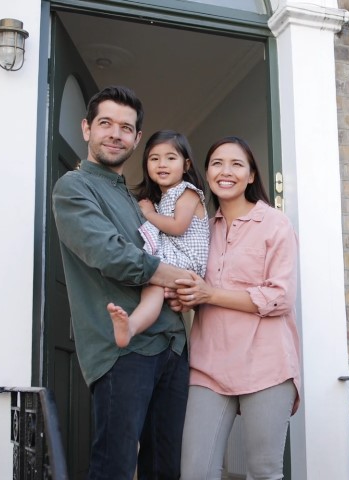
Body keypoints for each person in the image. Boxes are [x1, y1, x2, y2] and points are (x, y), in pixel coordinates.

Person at [51, 86, 191, 480]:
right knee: (113, 466)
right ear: (86, 129)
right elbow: (111, 255)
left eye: (126, 127)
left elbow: (156, 250)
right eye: (105, 123)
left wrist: (178, 294)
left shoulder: (131, 199)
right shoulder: (74, 188)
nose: (115, 133)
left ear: (136, 138)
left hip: (172, 345)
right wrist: (178, 278)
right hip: (123, 353)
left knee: (165, 469)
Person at [174, 136, 301, 480]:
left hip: (266, 363)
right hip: (208, 364)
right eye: (216, 163)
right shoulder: (199, 229)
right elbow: (184, 279)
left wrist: (209, 295)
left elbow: (279, 296)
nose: (225, 171)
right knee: (196, 472)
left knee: (263, 471)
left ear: (250, 175)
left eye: (236, 164)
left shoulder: (275, 224)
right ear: (206, 173)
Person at [108, 129, 209, 348]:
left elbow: (178, 227)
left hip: (188, 260)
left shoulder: (187, 192)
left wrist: (149, 214)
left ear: (186, 165)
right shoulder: (162, 198)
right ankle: (131, 327)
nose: (162, 164)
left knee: (152, 280)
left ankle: (133, 325)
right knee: (152, 288)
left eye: (171, 158)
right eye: (154, 159)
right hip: (175, 258)